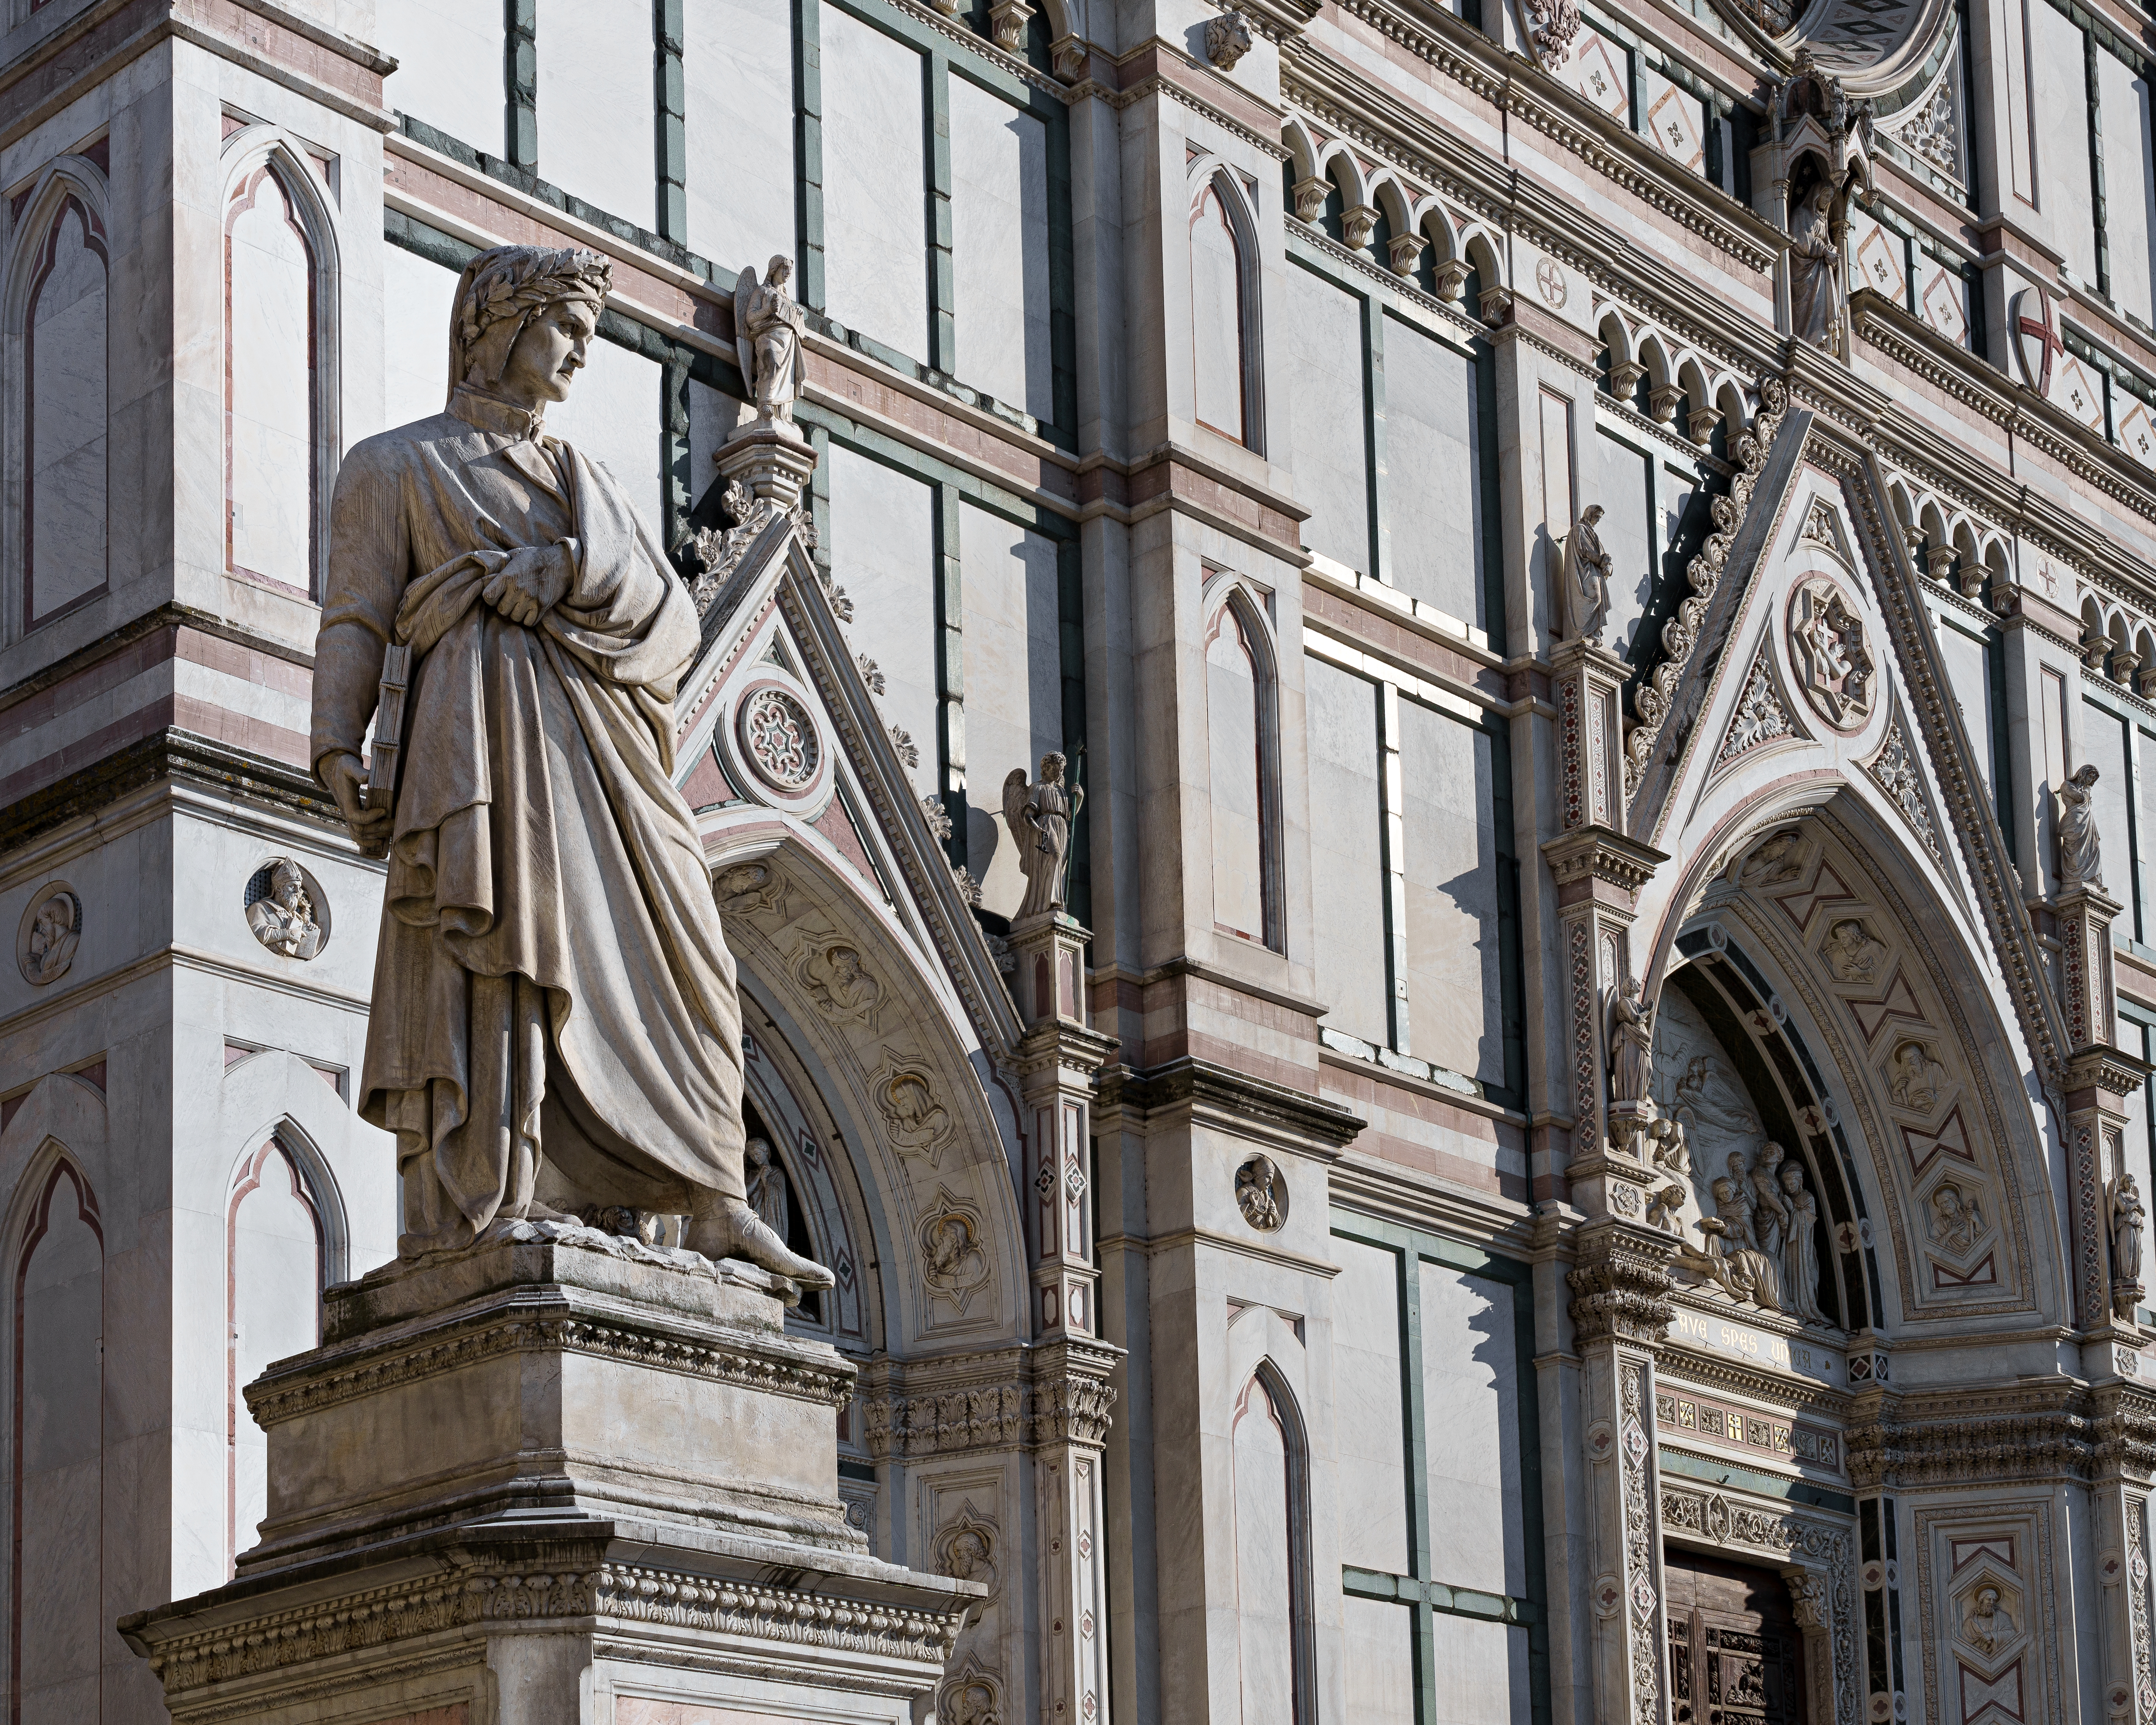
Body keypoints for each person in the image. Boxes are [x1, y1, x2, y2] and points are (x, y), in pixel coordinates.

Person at [309, 242, 829, 1285]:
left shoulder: (585, 483)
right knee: (506, 956)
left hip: (601, 765)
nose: (581, 356)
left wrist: (562, 570)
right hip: (483, 760)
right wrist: (334, 748)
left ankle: (709, 1190)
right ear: (493, 330)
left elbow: (675, 623)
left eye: (593, 337)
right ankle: (499, 1190)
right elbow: (356, 618)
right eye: (566, 331)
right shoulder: (398, 465)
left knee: (696, 960)